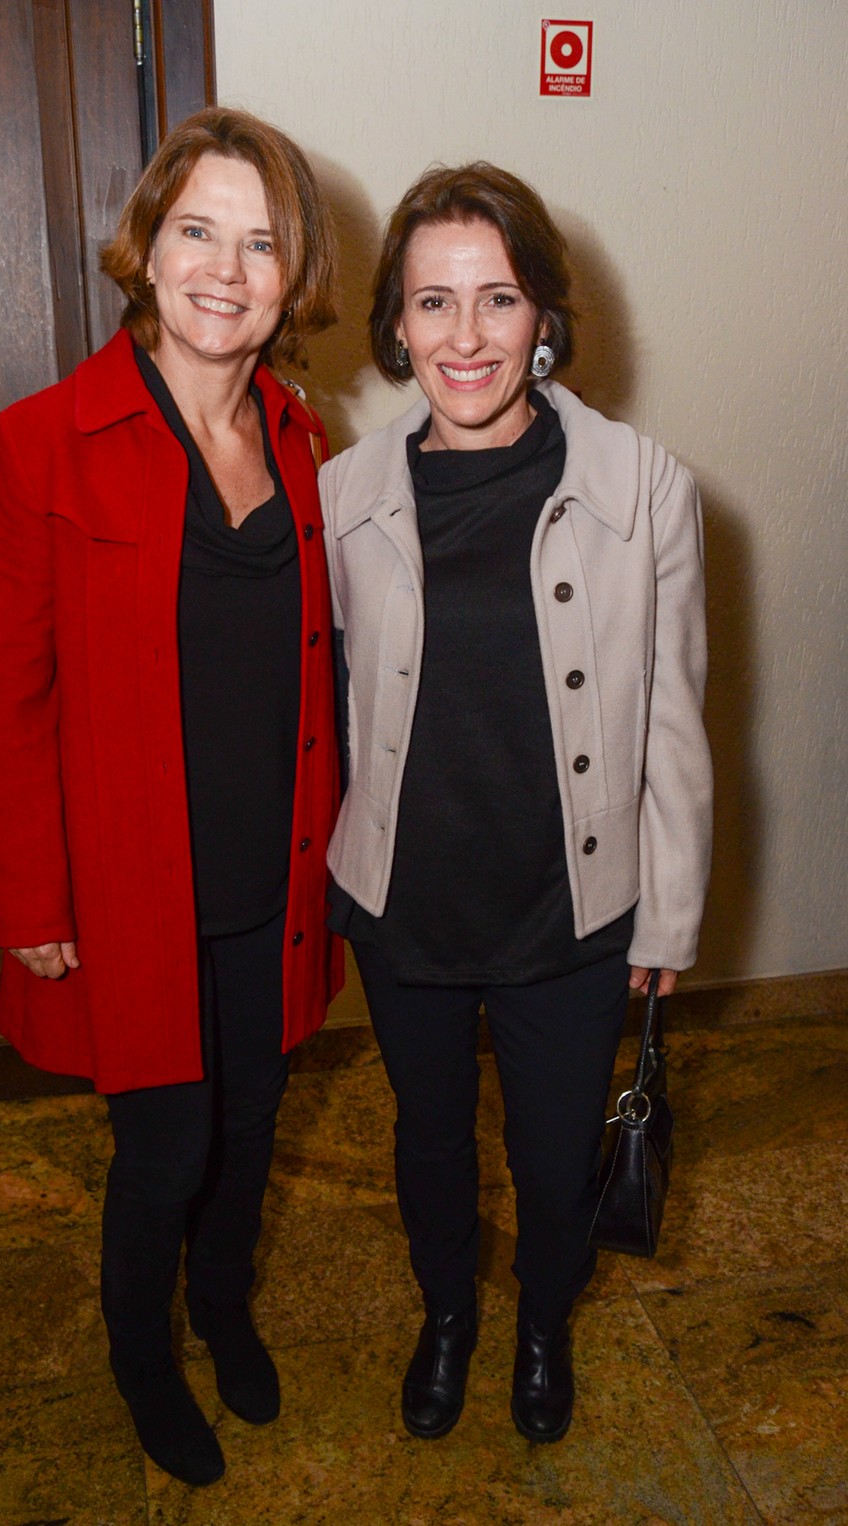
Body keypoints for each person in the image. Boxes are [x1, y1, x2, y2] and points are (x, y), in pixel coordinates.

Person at [0, 108, 342, 1487]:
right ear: (148, 244)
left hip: (274, 875)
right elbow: (10, 699)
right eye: (199, 230)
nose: (225, 271)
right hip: (133, 887)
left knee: (254, 1126)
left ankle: (221, 1303)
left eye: (261, 243)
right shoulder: (44, 440)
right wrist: (34, 901)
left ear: (291, 274)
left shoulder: (307, 438)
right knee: (167, 1144)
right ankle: (142, 1349)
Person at [320, 163, 712, 1447]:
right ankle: (448, 1312)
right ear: (394, 326)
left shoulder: (642, 483)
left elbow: (671, 712)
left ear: (545, 314)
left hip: (572, 907)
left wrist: (669, 914)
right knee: (429, 1145)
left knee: (552, 1161)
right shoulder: (342, 495)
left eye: (497, 299)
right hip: (407, 904)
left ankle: (544, 1316)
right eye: (433, 303)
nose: (466, 336)